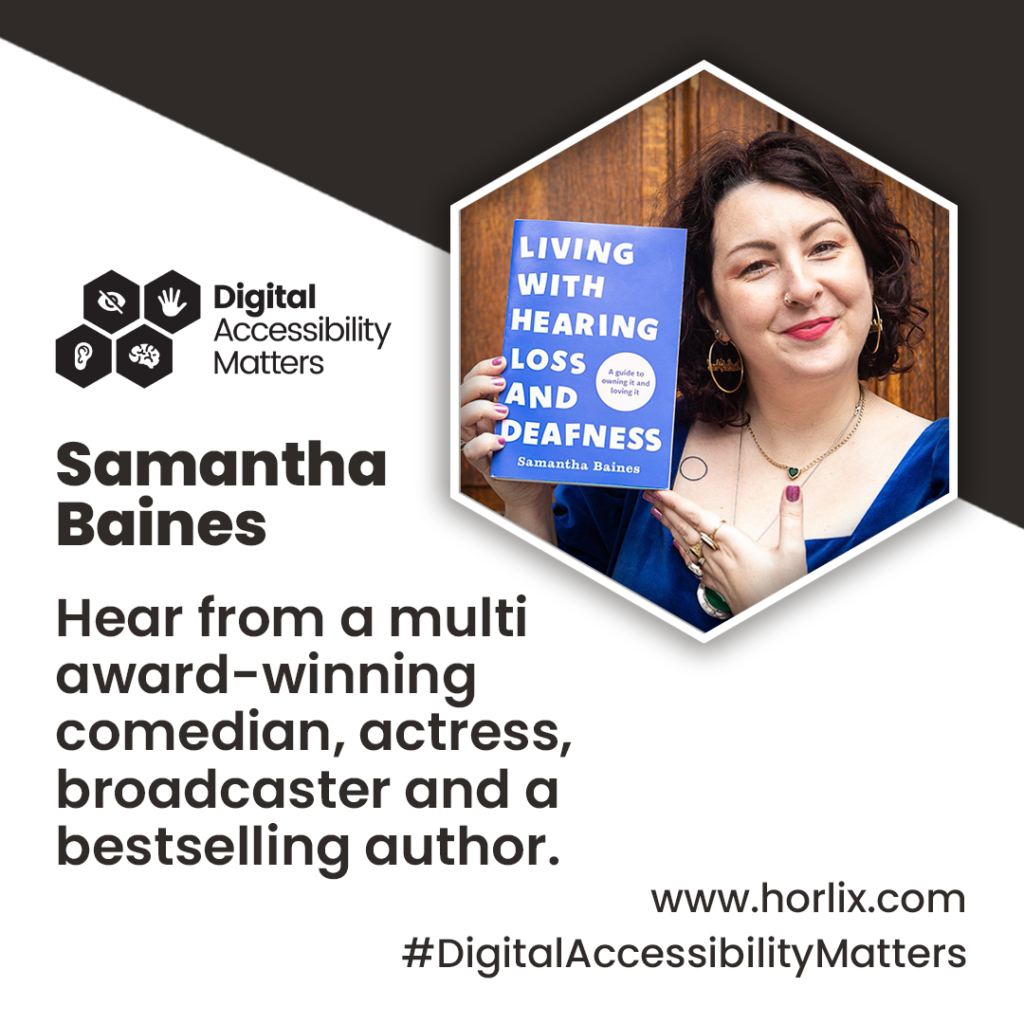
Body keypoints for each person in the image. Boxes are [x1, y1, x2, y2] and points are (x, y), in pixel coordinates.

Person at [460, 132, 949, 630]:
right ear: (712, 310)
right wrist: (527, 506)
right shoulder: (633, 450)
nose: (802, 288)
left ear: (867, 268)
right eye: (756, 265)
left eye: (824, 246)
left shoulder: (946, 475)